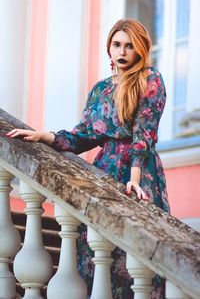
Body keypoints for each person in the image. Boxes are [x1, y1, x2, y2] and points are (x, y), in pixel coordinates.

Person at [7, 18, 170, 299]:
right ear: (109, 48)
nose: (122, 51)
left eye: (129, 46)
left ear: (140, 49)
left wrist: (135, 179)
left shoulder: (150, 80)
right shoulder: (99, 90)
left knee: (135, 261)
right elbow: (82, 136)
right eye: (117, 44)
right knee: (96, 255)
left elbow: (143, 135)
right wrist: (45, 136)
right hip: (102, 175)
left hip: (139, 175)